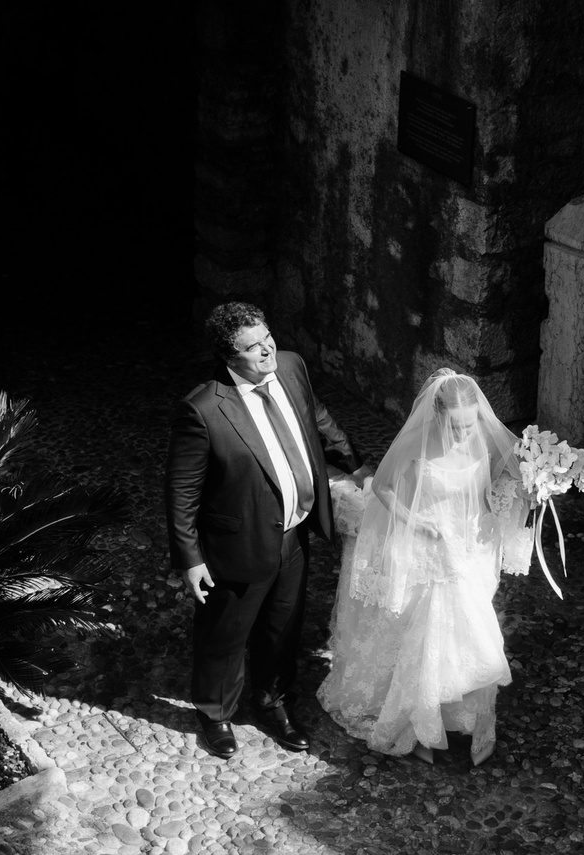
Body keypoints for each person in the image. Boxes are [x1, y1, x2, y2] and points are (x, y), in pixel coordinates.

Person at [167, 302, 356, 759]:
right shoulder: (203, 409)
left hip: (294, 535)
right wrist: (190, 558)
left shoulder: (291, 366)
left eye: (267, 335)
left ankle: (272, 701)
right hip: (238, 543)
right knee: (226, 633)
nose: (267, 349)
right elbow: (181, 491)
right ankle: (215, 712)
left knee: (283, 627)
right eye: (253, 347)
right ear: (230, 358)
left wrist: (355, 461)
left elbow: (317, 415)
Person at [317, 369, 528, 764]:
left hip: (470, 546)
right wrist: (415, 522)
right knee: (429, 634)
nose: (465, 432)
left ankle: (463, 720)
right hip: (428, 547)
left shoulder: (486, 437)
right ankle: (418, 721)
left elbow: (506, 478)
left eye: (470, 423)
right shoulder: (416, 441)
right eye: (456, 425)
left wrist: (533, 486)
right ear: (438, 413)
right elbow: (382, 487)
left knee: (466, 636)